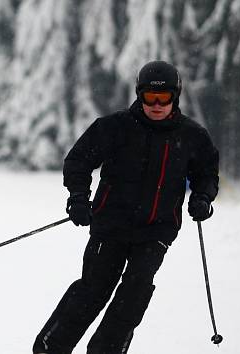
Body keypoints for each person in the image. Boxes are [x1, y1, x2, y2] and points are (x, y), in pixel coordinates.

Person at [32, 61, 219, 354]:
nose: (156, 105)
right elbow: (78, 161)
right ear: (139, 95)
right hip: (111, 226)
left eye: (164, 98)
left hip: (156, 231)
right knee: (94, 289)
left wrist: (202, 198)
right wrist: (79, 198)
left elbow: (207, 174)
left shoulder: (191, 136)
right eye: (149, 98)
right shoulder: (115, 128)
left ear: (176, 96)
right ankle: (51, 348)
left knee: (135, 293)